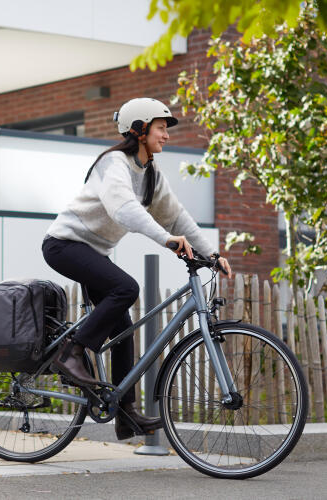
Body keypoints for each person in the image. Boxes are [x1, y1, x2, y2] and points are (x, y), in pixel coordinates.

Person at [42, 97, 232, 440]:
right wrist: (166, 240)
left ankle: (125, 414)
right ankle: (70, 354)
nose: (167, 135)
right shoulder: (114, 163)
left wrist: (212, 253)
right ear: (140, 129)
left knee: (123, 331)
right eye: (161, 128)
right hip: (64, 245)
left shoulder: (151, 175)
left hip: (93, 251)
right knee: (126, 289)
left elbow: (176, 215)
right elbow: (123, 209)